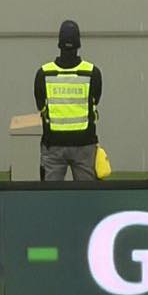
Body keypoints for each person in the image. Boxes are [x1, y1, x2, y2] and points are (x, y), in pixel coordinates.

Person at [34, 19, 102, 182]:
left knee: (51, 199)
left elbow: (40, 105)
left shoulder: (44, 73)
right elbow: (96, 100)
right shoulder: (92, 73)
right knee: (87, 198)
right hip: (85, 144)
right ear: (79, 44)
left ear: (59, 44)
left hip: (53, 145)